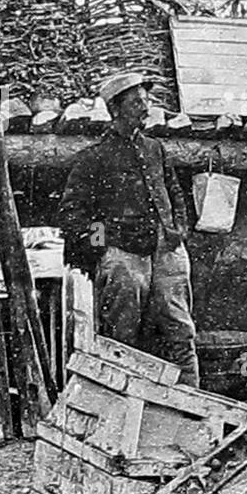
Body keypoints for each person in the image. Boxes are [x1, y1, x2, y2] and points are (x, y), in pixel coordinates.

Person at [58, 72, 200, 386]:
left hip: (166, 250)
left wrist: (178, 229)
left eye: (146, 101)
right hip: (123, 253)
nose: (145, 108)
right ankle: (124, 402)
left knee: (180, 328)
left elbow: (174, 191)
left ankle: (193, 402)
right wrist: (102, 246)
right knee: (122, 334)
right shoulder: (94, 158)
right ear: (115, 110)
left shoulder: (154, 149)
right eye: (136, 102)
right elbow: (72, 213)